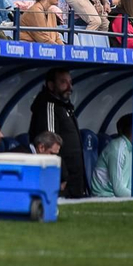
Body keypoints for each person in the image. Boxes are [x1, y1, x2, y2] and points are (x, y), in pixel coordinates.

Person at [27, 67, 86, 198]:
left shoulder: (64, 106)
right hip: (62, 183)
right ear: (51, 85)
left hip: (74, 180)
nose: (69, 87)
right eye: (63, 82)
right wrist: (61, 177)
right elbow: (50, 145)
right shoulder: (49, 106)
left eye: (70, 82)